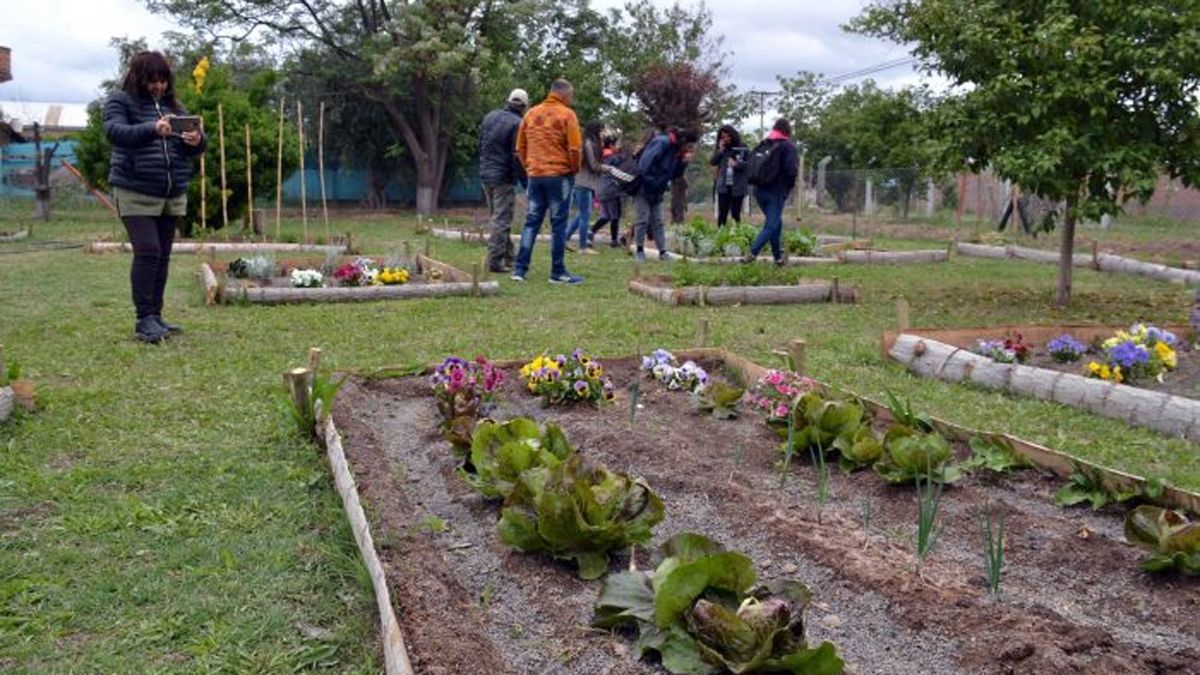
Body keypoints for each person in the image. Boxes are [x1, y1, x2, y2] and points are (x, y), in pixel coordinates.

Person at [104, 51, 206, 343]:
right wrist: (152, 128)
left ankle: (156, 316)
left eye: (163, 80)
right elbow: (114, 132)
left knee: (162, 256)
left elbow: (194, 149)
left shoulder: (175, 106)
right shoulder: (120, 101)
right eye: (152, 81)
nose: (158, 86)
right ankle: (143, 319)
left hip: (171, 193)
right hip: (135, 189)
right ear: (139, 78)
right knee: (147, 251)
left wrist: (197, 140)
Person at [513, 79, 584, 284]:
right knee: (559, 224)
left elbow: (520, 148)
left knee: (531, 221)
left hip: (535, 175)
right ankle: (558, 272)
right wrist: (574, 169)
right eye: (570, 95)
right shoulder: (567, 114)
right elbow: (574, 149)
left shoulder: (530, 113)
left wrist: (530, 167)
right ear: (563, 95)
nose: (571, 99)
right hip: (559, 175)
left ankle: (519, 270)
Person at [478, 89, 529, 273]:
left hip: (485, 174)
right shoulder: (518, 123)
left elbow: (481, 143)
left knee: (497, 216)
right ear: (523, 106)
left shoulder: (490, 117)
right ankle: (495, 260)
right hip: (503, 177)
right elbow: (517, 155)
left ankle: (509, 255)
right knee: (502, 218)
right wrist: (525, 182)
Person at [633, 126, 699, 262]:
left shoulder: (677, 152)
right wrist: (650, 183)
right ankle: (639, 250)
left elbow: (676, 175)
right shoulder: (662, 143)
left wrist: (683, 162)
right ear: (684, 140)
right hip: (644, 187)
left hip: (659, 189)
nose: (689, 148)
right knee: (642, 219)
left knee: (658, 221)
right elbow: (645, 164)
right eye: (689, 144)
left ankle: (662, 252)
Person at [743, 118, 799, 265]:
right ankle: (752, 253)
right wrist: (788, 187)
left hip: (759, 191)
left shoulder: (765, 144)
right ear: (788, 131)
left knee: (776, 223)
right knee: (771, 225)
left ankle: (778, 259)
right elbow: (791, 171)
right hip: (776, 192)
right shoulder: (788, 147)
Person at [564, 120, 604, 254]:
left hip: (581, 182)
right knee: (585, 215)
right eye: (601, 130)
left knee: (581, 213)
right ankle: (583, 247)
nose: (603, 133)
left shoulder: (586, 142)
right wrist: (606, 168)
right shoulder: (589, 144)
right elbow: (593, 165)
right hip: (583, 183)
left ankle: (564, 238)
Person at [710, 124, 748, 227]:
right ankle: (721, 235)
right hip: (724, 186)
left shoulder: (742, 147)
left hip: (737, 186)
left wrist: (736, 164)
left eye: (728, 136)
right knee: (722, 214)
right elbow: (713, 162)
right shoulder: (721, 149)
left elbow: (748, 164)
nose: (726, 139)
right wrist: (720, 150)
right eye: (723, 137)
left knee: (735, 214)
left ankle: (737, 235)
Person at [589, 135, 624, 247]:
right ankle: (614, 241)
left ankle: (591, 231)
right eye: (616, 144)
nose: (618, 147)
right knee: (615, 216)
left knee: (605, 216)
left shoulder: (599, 157)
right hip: (612, 190)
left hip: (600, 190)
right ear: (611, 145)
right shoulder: (613, 158)